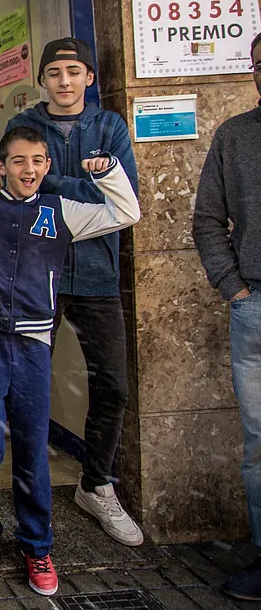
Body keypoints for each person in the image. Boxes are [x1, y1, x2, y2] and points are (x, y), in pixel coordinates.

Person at [0, 124, 141, 596]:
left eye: (36, 161)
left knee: (33, 447)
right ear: (1, 166)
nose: (27, 169)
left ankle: (38, 546)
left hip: (34, 346)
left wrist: (109, 173)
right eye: (17, 161)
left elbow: (126, 212)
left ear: (47, 165)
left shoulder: (61, 210)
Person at [4, 37, 143, 547]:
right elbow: (20, 189)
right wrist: (91, 187)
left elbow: (126, 194)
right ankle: (27, 491)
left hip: (98, 277)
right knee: (25, 387)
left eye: (73, 71)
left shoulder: (109, 126)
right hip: (39, 273)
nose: (64, 81)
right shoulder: (25, 126)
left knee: (114, 386)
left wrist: (54, 184)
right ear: (42, 79)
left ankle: (96, 484)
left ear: (89, 77)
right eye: (54, 72)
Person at [193, 32, 261, 601]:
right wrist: (234, 288)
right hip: (255, 305)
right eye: (260, 65)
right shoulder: (235, 136)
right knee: (259, 445)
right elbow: (208, 219)